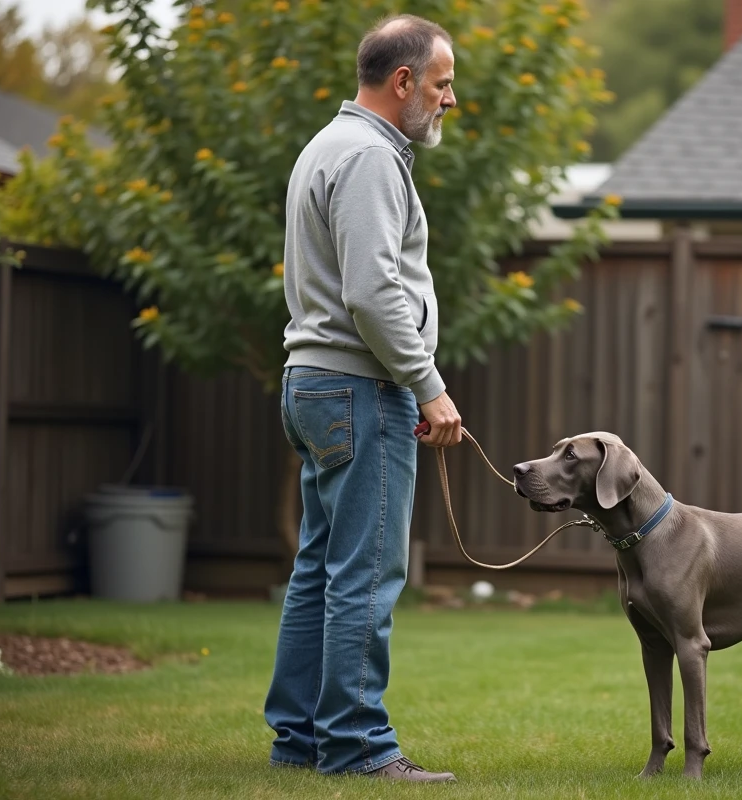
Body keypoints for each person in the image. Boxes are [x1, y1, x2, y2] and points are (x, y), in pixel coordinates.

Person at [264, 13, 462, 783]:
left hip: (313, 386)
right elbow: (375, 294)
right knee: (367, 573)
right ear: (404, 81)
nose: (450, 99)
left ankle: (299, 738)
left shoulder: (326, 144)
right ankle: (355, 746)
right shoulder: (373, 158)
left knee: (319, 568)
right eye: (442, 84)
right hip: (358, 387)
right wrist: (431, 388)